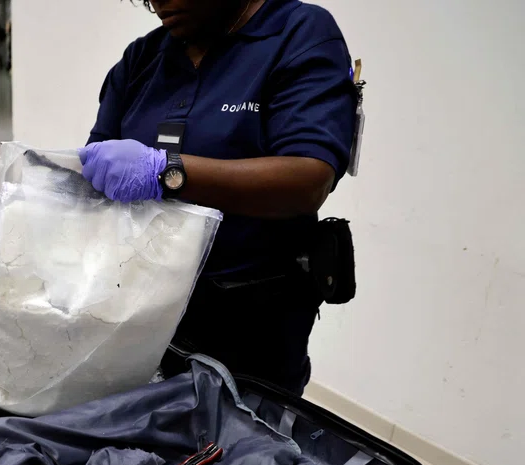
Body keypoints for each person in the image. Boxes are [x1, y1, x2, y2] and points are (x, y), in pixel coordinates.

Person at [79, 0, 357, 395]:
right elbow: (98, 169)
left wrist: (165, 172)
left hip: (251, 321)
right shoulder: (143, 57)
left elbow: (308, 179)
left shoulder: (297, 34)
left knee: (238, 445)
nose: (158, 3)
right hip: (139, 310)